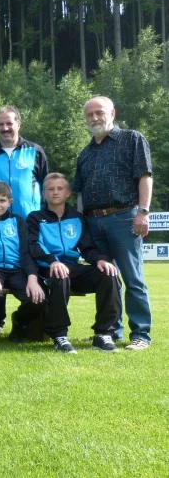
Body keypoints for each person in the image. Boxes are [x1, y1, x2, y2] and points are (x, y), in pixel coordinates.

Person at [73, 96, 153, 350]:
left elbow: (145, 175)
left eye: (100, 112)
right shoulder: (85, 153)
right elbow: (80, 193)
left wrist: (143, 212)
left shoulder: (132, 139)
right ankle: (111, 331)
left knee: (133, 278)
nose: (95, 118)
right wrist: (81, 224)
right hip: (93, 221)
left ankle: (141, 334)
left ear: (113, 113)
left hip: (124, 217)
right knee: (108, 278)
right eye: (90, 114)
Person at [28, 173, 122, 353]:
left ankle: (103, 334)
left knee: (108, 274)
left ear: (68, 193)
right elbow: (34, 245)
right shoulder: (35, 217)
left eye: (60, 189)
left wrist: (100, 260)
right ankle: (60, 335)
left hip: (73, 268)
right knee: (60, 274)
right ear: (44, 194)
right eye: (50, 189)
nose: (55, 192)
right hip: (47, 268)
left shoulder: (78, 217)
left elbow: (87, 247)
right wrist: (52, 261)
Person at [0, 181, 46, 342]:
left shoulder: (18, 221)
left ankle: (20, 322)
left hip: (17, 270)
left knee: (37, 298)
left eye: (2, 200)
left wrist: (32, 278)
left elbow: (26, 251)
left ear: (10, 202)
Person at [0, 105, 47, 218]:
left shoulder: (35, 151)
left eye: (9, 123)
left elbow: (45, 186)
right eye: (0, 124)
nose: (5, 128)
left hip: (30, 220)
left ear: (19, 124)